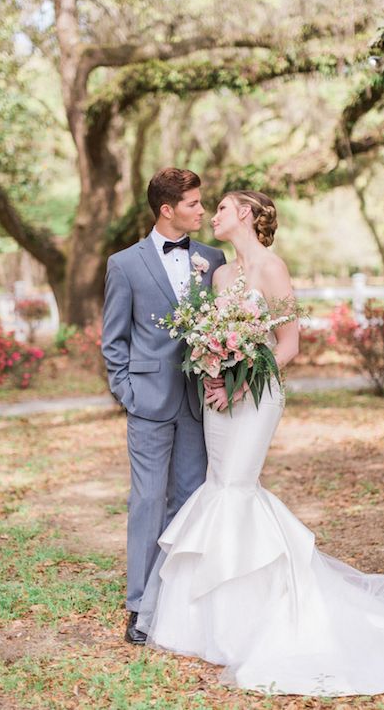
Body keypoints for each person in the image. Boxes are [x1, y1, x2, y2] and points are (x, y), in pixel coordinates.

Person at [137, 190, 384, 696]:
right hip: (217, 398)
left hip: (257, 394)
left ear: (245, 214)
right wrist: (212, 368)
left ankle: (269, 611)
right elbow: (208, 334)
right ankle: (208, 617)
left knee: (237, 489)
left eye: (222, 208)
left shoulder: (273, 269)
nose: (214, 216)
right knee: (217, 484)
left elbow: (289, 342)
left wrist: (242, 379)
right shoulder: (221, 274)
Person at [102, 167, 226, 645]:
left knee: (190, 499)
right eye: (194, 204)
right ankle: (138, 606)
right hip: (148, 401)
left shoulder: (213, 259)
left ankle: (175, 598)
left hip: (200, 402)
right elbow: (113, 339)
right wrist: (127, 392)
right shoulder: (124, 263)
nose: (202, 210)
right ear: (167, 209)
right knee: (148, 501)